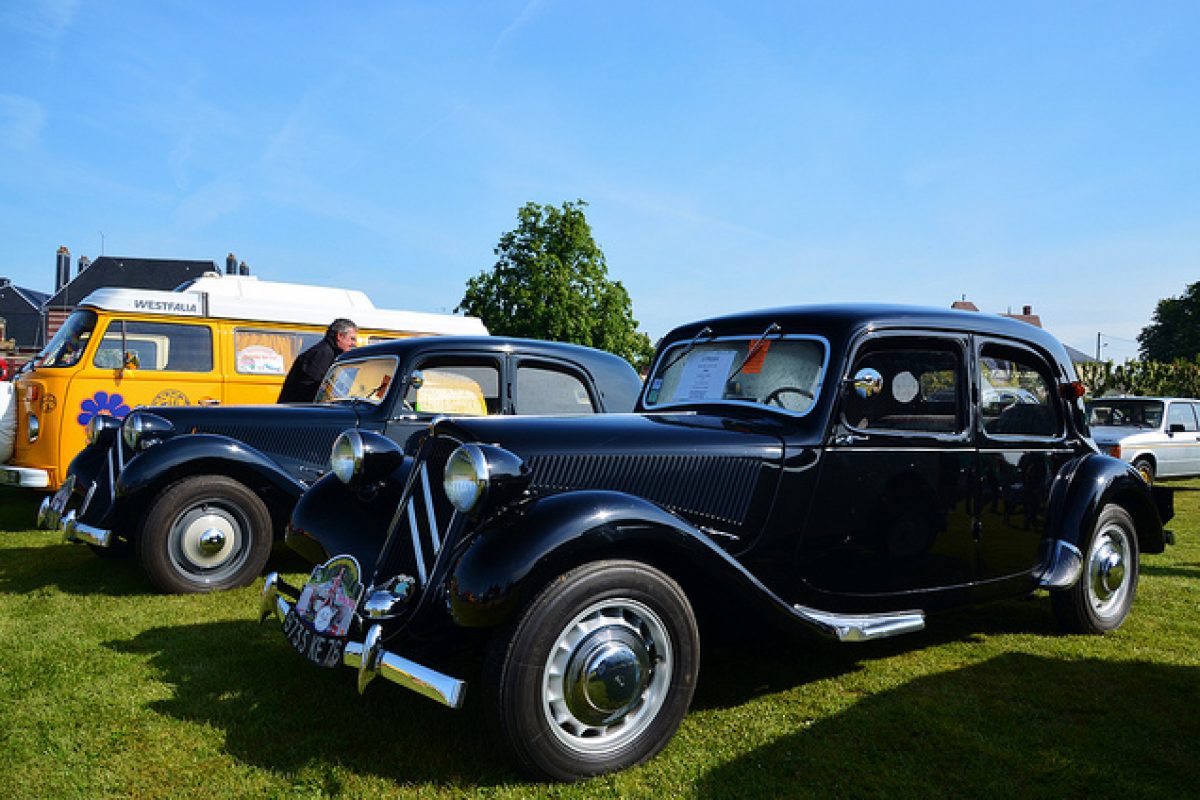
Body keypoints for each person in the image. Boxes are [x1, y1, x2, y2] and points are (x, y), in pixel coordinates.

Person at [277, 318, 358, 402]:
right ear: (340, 336)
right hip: (299, 410)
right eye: (352, 339)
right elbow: (312, 389)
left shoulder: (327, 353)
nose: (354, 344)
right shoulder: (322, 354)